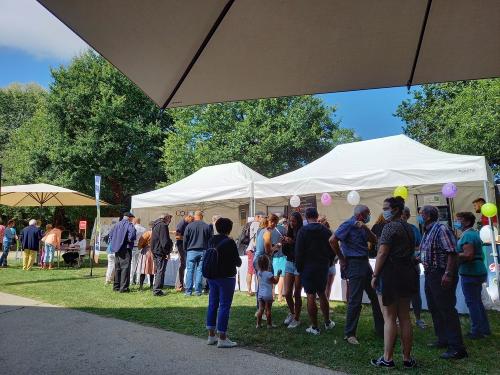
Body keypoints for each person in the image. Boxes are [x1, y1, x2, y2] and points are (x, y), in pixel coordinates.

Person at [370, 197, 418, 369]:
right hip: (407, 273)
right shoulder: (409, 227)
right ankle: (407, 358)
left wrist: (375, 274)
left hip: (391, 274)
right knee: (405, 317)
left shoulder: (390, 227)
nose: (384, 211)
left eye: (386, 208)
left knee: (389, 317)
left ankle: (387, 358)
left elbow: (382, 253)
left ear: (396, 209)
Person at [330, 205, 384, 345]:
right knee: (355, 300)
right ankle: (350, 334)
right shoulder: (348, 224)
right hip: (354, 264)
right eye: (368, 214)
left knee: (375, 295)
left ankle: (381, 329)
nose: (369, 216)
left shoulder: (362, 226)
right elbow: (332, 240)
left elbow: (375, 240)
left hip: (364, 263)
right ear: (360, 215)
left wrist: (365, 228)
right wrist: (341, 258)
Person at [419, 205, 467, 359]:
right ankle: (443, 338)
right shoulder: (428, 231)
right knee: (434, 307)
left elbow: (452, 253)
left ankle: (457, 348)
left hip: (441, 273)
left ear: (427, 216)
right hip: (430, 274)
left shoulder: (441, 229)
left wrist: (448, 273)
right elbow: (427, 252)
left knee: (446, 309)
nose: (419, 217)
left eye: (420, 214)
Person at [295, 207, 335, 335]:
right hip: (322, 266)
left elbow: (299, 251)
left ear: (306, 217)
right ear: (317, 216)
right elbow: (332, 247)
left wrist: (299, 267)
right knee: (322, 293)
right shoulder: (325, 230)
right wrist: (328, 261)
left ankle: (315, 327)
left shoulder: (302, 231)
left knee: (310, 295)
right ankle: (327, 322)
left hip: (308, 267)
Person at [206, 218, 242, 348]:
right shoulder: (229, 242)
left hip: (211, 275)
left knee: (212, 304)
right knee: (224, 305)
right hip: (226, 277)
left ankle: (211, 335)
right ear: (229, 229)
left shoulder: (211, 240)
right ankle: (222, 337)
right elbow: (237, 261)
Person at [455, 211, 491, 339]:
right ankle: (484, 329)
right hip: (477, 271)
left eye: (459, 219)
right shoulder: (473, 233)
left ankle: (477, 331)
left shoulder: (467, 236)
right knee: (477, 301)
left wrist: (453, 255)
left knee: (472, 302)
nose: (456, 222)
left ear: (467, 221)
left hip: (471, 272)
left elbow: (468, 255)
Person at [401, 207, 426, 329]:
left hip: (412, 266)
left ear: (408, 215)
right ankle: (399, 318)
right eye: (401, 214)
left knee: (415, 294)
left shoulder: (413, 229)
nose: (403, 216)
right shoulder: (392, 228)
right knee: (399, 294)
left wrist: (410, 250)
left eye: (405, 214)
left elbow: (420, 247)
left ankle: (418, 318)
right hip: (398, 268)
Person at [183, 211, 213, 296]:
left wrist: (185, 249)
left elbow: (185, 239)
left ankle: (188, 291)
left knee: (190, 271)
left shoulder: (189, 226)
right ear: (202, 216)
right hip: (203, 250)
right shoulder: (207, 226)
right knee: (199, 271)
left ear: (195, 216)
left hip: (191, 250)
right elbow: (210, 240)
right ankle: (198, 291)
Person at [282, 211, 303, 329]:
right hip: (289, 262)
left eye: (293, 221)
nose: (291, 223)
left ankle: (297, 318)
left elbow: (302, 249)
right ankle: (292, 312)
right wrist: (285, 243)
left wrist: (293, 242)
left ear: (298, 221)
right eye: (290, 220)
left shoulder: (302, 232)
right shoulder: (289, 231)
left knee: (297, 293)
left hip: (299, 264)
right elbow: (286, 252)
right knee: (287, 293)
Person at [108, 213, 137, 293]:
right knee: (125, 268)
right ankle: (123, 288)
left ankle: (116, 286)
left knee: (118, 268)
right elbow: (132, 236)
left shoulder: (117, 224)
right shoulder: (129, 224)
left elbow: (110, 235)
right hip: (125, 248)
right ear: (129, 218)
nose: (132, 220)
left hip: (117, 249)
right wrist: (128, 241)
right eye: (132, 218)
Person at [256, 255, 280, 328]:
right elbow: (275, 282)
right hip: (268, 295)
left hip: (260, 295)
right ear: (267, 264)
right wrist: (278, 275)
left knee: (260, 309)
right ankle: (269, 324)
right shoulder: (269, 274)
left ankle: (258, 324)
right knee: (268, 310)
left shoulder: (258, 273)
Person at [151, 214, 173, 296]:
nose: (169, 222)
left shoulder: (155, 224)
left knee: (158, 271)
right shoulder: (163, 225)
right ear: (166, 218)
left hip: (156, 250)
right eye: (169, 220)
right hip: (160, 251)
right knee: (160, 271)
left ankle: (156, 288)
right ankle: (157, 290)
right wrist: (167, 252)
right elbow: (165, 241)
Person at [174, 215, 193, 292]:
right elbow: (177, 236)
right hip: (181, 246)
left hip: (185, 246)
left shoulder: (187, 224)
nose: (192, 222)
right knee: (182, 265)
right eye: (191, 220)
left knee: (184, 265)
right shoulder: (181, 224)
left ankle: (181, 284)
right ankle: (179, 285)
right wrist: (187, 238)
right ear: (188, 217)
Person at [319, 216, 336, 300]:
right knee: (327, 286)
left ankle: (324, 304)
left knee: (324, 287)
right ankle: (325, 304)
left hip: (326, 264)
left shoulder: (318, 234)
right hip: (329, 264)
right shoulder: (332, 232)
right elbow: (336, 249)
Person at [272, 218, 287, 303]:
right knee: (281, 275)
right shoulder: (283, 229)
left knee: (273, 275)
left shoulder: (269, 229)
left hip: (272, 255)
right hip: (281, 255)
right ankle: (280, 296)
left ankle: (272, 294)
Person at [137, 223, 155, 290]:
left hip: (146, 251)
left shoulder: (147, 233)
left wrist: (140, 247)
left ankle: (141, 286)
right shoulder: (157, 233)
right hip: (153, 251)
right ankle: (151, 286)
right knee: (151, 270)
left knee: (143, 269)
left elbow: (141, 242)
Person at [131, 217, 147, 284]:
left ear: (134, 221)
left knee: (132, 264)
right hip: (141, 248)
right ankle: (138, 280)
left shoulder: (133, 228)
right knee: (139, 264)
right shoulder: (144, 229)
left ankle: (131, 280)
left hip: (133, 247)